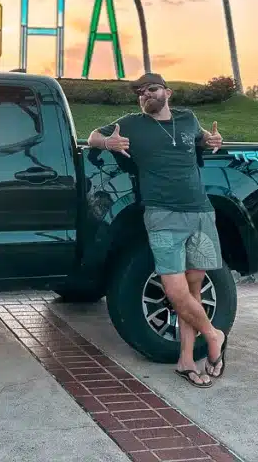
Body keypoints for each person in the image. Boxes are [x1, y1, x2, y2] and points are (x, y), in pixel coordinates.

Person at [87, 72, 228, 388]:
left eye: (151, 89)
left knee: (193, 290)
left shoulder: (187, 119)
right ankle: (213, 335)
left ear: (168, 92)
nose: (145, 94)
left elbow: (205, 138)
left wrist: (213, 140)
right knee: (175, 292)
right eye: (140, 91)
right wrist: (107, 141)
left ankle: (186, 361)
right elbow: (93, 135)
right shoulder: (133, 124)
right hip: (162, 215)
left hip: (200, 212)